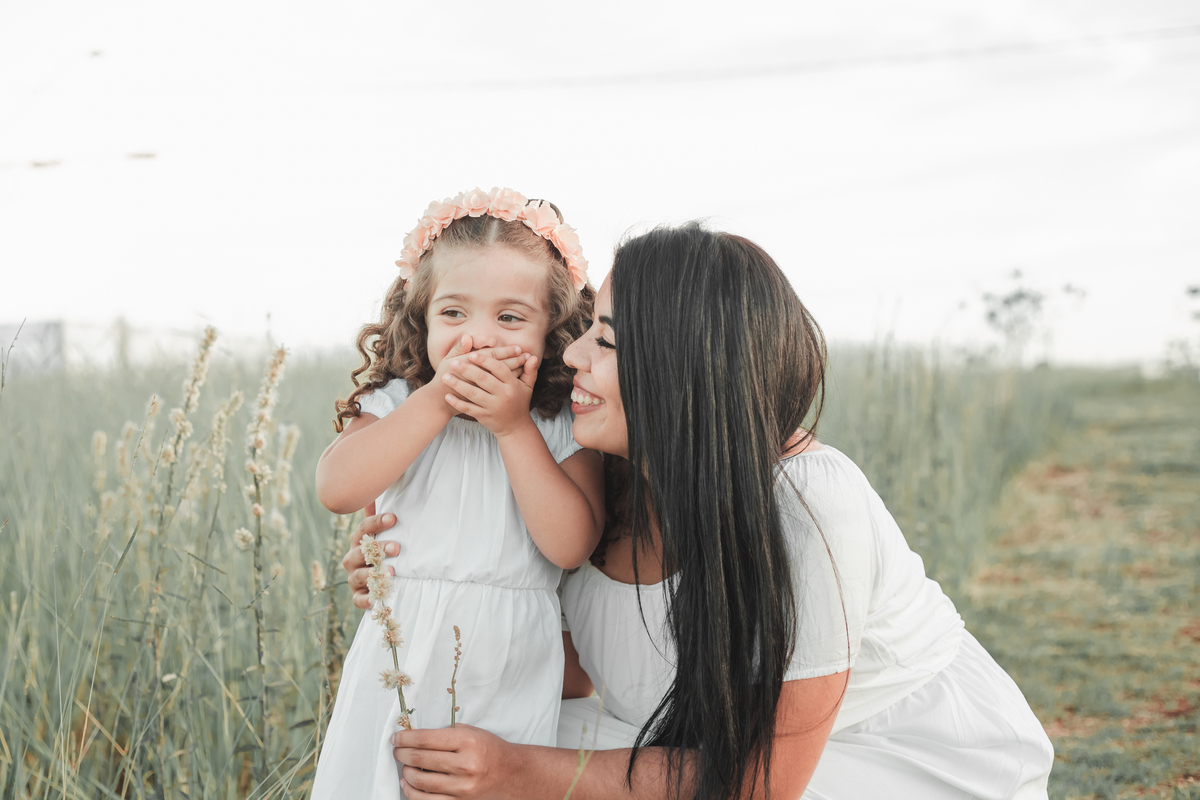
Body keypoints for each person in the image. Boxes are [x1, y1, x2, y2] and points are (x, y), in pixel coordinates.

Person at [341, 223, 1055, 799]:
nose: (572, 357)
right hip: (664, 745)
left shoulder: (810, 502)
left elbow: (761, 782)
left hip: (868, 761)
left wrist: (522, 774)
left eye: (607, 340)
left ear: (681, 370)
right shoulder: (590, 479)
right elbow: (573, 677)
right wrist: (434, 579)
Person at [311, 187, 606, 799]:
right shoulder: (399, 403)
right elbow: (337, 489)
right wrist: (435, 399)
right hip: (403, 660)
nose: (476, 337)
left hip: (512, 673)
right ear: (420, 319)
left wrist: (512, 426)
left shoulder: (554, 425)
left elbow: (570, 544)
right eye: (453, 313)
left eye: (509, 317)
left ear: (554, 328)